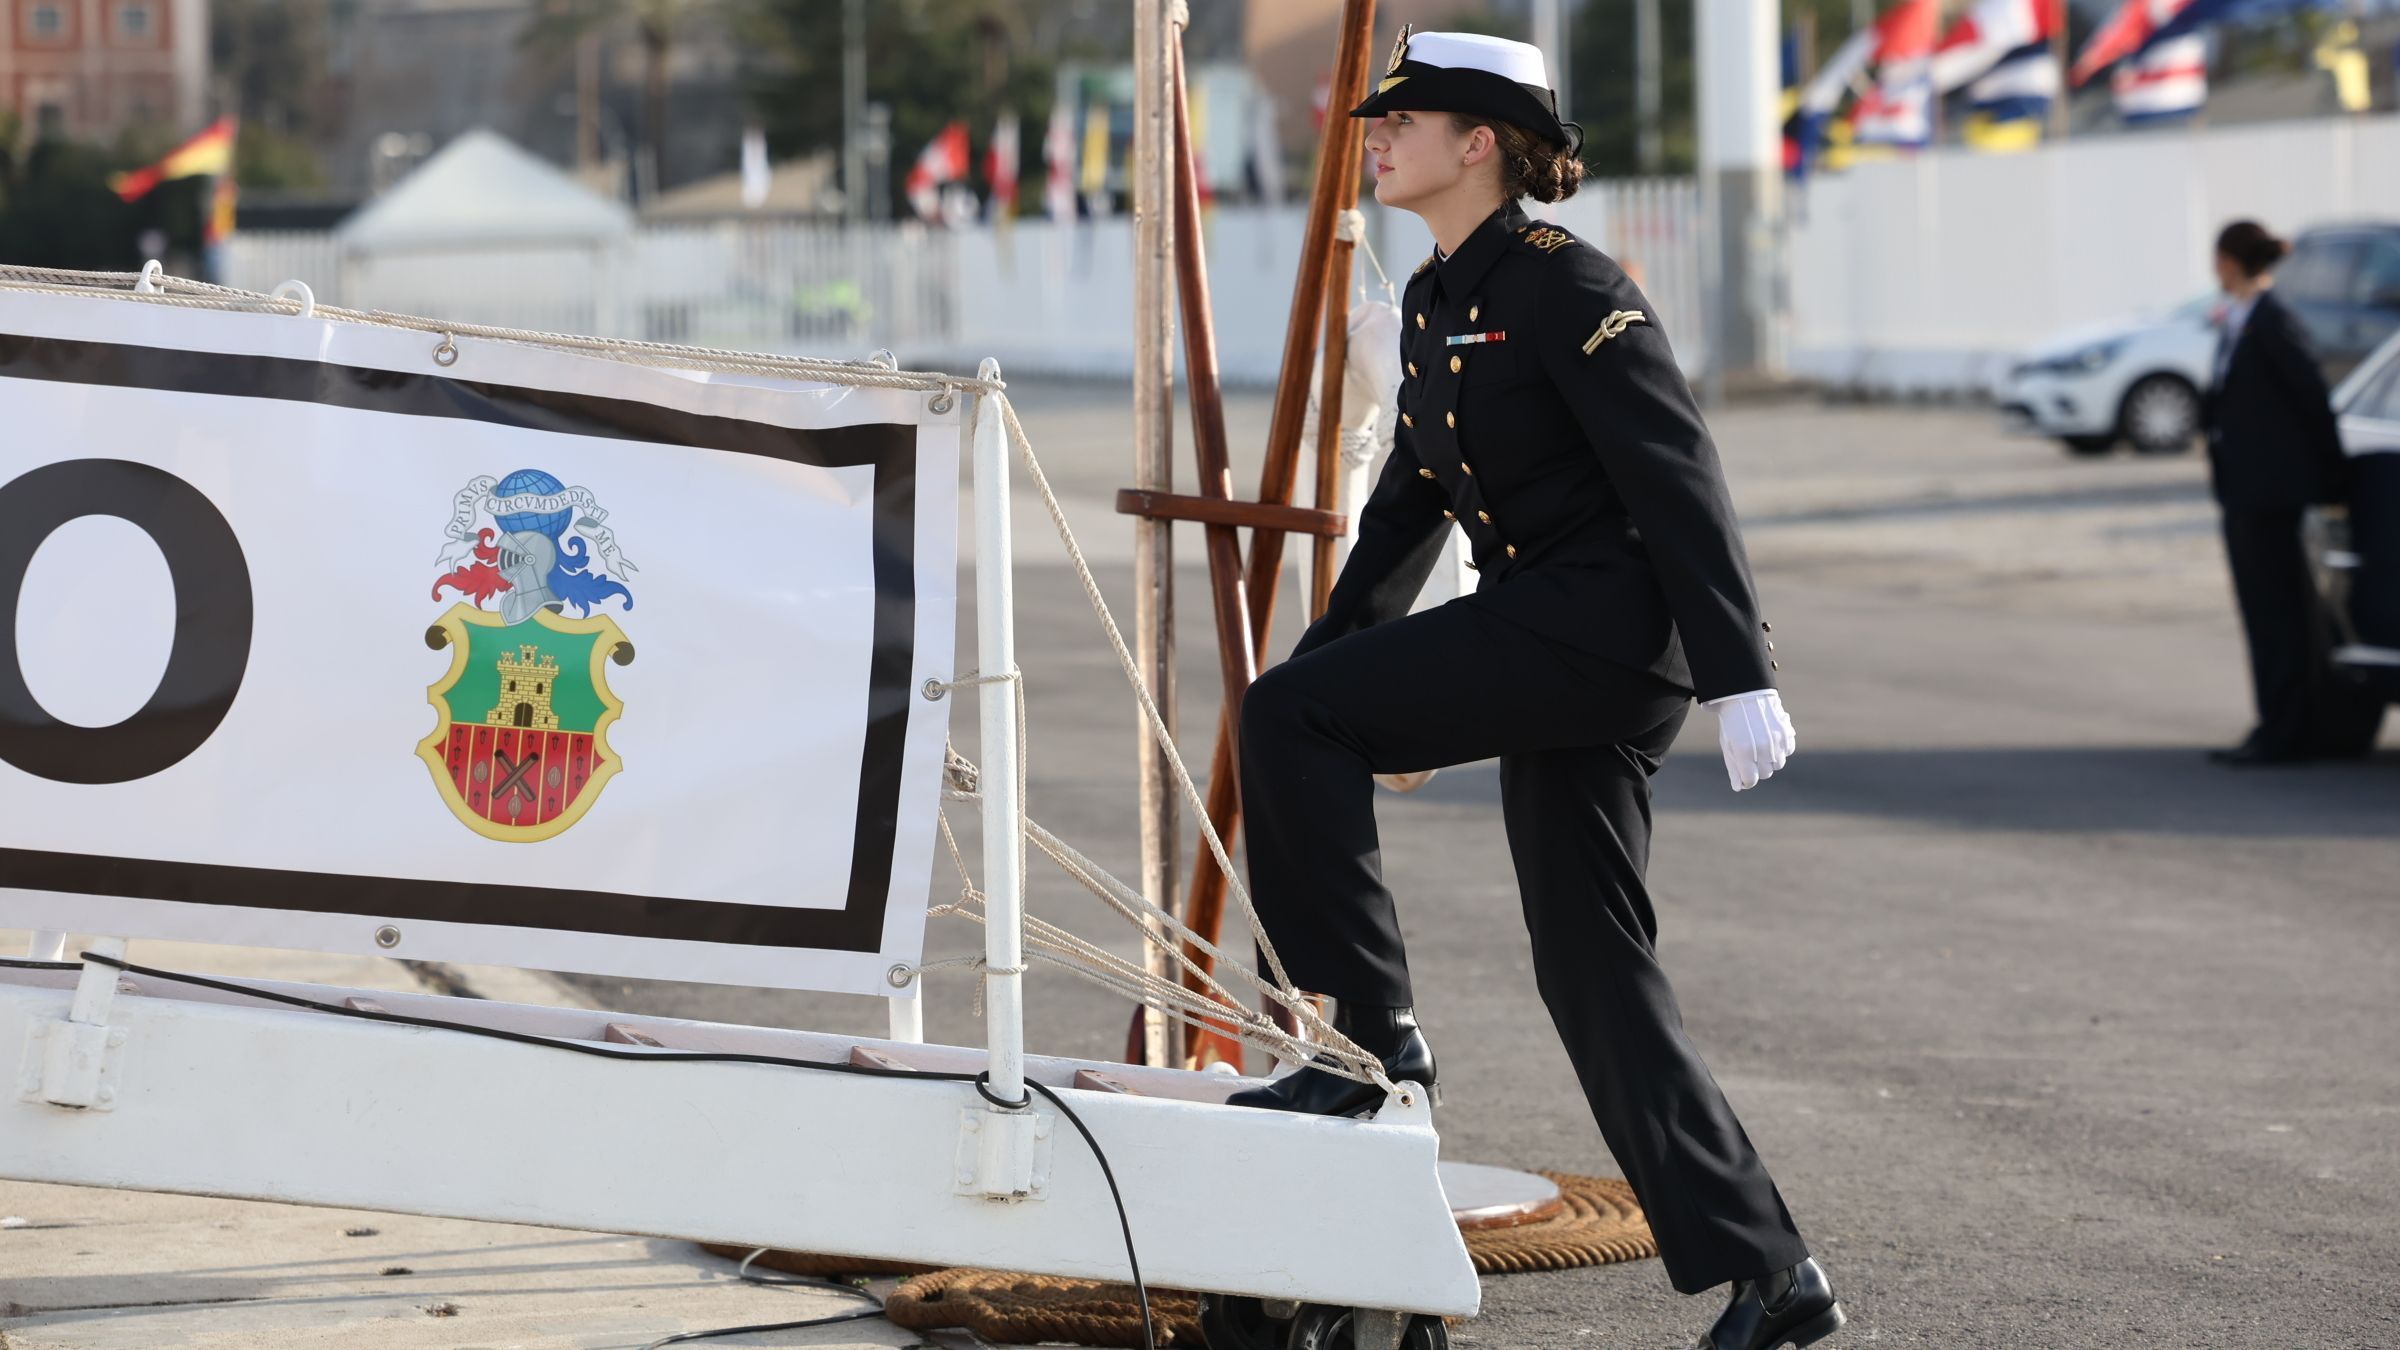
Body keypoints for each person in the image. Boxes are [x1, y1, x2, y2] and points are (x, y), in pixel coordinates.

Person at [1225, 28, 1842, 1350]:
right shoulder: (1446, 295)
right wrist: (1335, 661)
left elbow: (1675, 474)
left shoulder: (1569, 284)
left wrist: (1743, 673)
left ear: (1480, 143)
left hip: (1606, 635)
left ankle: (1367, 1038)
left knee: (1287, 717)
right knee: (1590, 965)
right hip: (1551, 635)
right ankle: (1773, 1273)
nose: (1375, 137)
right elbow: (1406, 510)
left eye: (1406, 120)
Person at [2201, 220, 2382, 764]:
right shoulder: (2244, 320)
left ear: (2231, 262)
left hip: (2270, 497)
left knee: (2279, 616)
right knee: (2263, 614)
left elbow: (2312, 398)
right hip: (2246, 493)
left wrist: (2330, 478)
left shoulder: (2274, 321)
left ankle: (2285, 732)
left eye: (2218, 258)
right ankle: (2276, 725)